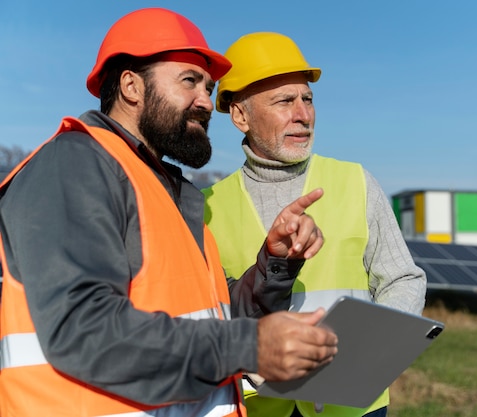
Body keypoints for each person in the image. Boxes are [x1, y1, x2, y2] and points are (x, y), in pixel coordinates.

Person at [0, 10, 339, 417]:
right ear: (131, 86)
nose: (206, 102)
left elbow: (210, 315)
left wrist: (276, 264)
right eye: (189, 81)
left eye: (209, 86)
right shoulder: (74, 165)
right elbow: (83, 328)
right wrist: (248, 346)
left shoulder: (166, 189)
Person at [202, 32, 428, 417]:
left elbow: (403, 280)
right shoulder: (206, 207)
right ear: (240, 115)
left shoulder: (356, 181)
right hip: (256, 407)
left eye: (307, 99)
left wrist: (371, 356)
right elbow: (207, 314)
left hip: (354, 405)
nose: (302, 114)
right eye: (284, 101)